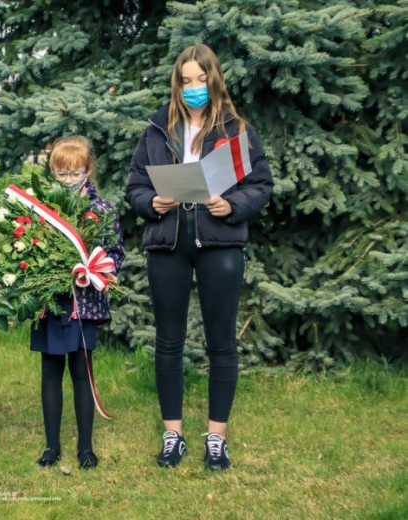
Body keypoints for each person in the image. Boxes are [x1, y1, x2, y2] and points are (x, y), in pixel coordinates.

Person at [125, 44, 273, 471]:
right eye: (185, 81)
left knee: (221, 341)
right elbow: (134, 186)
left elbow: (260, 184)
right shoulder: (157, 128)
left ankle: (216, 438)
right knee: (168, 341)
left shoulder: (235, 129)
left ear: (213, 79)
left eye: (200, 79)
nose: (193, 88)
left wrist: (234, 205)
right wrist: (153, 201)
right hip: (168, 242)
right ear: (177, 83)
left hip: (219, 241)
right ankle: (173, 435)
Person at [31, 136, 124, 470]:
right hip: (50, 304)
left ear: (88, 169)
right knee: (50, 371)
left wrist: (105, 270)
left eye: (74, 173)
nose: (68, 180)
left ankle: (86, 447)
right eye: (61, 174)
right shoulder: (42, 210)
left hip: (85, 305)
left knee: (82, 373)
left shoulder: (102, 210)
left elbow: (115, 251)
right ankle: (51, 447)